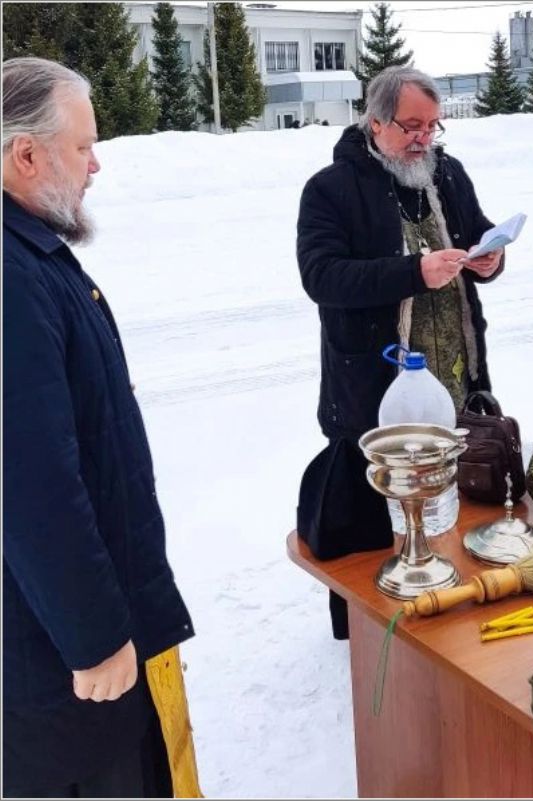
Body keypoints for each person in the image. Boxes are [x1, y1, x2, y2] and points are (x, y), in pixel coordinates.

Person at [3, 57, 195, 798]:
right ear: (26, 154)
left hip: (70, 644)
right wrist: (93, 636)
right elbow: (30, 483)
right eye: (83, 146)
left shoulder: (30, 255)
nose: (96, 165)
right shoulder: (11, 278)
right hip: (61, 676)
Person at [295, 67, 504, 639]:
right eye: (412, 126)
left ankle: (445, 617)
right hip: (375, 387)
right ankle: (374, 640)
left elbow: (478, 232)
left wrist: (489, 258)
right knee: (373, 516)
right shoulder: (331, 189)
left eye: (433, 126)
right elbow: (322, 276)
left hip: (455, 374)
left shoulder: (449, 174)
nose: (424, 138)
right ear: (376, 122)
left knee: (452, 505)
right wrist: (414, 272)